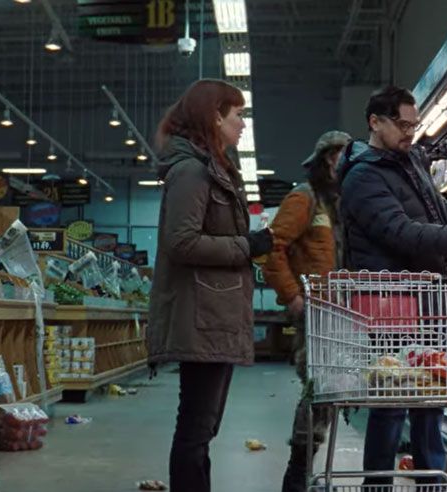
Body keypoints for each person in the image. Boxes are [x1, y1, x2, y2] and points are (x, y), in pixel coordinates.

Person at [337, 85, 447, 485]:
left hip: (429, 304)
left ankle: (431, 483)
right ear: (375, 122)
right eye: (402, 125)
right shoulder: (363, 177)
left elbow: (438, 216)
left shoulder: (409, 162)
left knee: (431, 399)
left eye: (415, 126)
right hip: (392, 308)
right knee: (393, 402)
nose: (410, 133)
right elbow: (404, 234)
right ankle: (378, 483)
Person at [147, 79, 273, 492]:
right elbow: (180, 242)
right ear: (214, 116)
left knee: (203, 429)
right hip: (201, 317)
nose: (243, 123)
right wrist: (246, 245)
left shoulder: (212, 169)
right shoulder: (191, 171)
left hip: (213, 315)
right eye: (238, 114)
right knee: (196, 428)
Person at [264, 130, 352, 492]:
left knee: (329, 392)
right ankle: (296, 476)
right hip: (313, 312)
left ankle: (305, 475)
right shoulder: (304, 198)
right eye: (335, 156)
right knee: (318, 390)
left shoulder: (339, 203)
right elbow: (272, 249)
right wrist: (292, 296)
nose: (340, 163)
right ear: (324, 159)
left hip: (342, 314)